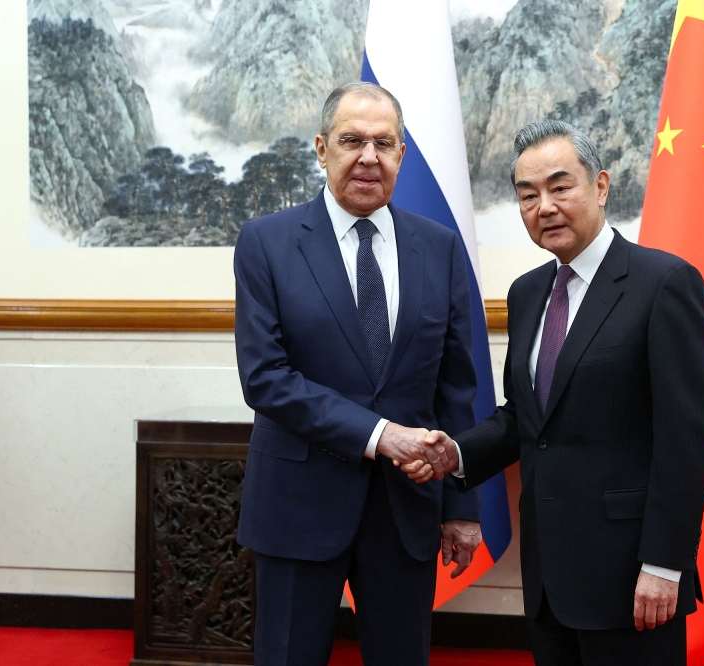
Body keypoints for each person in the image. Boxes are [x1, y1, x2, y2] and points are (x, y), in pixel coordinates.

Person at [407, 120, 704, 665]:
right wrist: (455, 454)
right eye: (527, 196)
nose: (544, 206)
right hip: (549, 575)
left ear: (600, 186)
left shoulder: (664, 283)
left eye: (559, 186)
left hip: (632, 575)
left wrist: (666, 564)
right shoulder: (528, 294)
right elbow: (525, 419)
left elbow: (685, 439)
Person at [233, 82, 482, 666]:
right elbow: (266, 378)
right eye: (351, 141)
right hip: (298, 506)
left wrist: (462, 508)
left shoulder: (441, 249)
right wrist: (380, 435)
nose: (368, 157)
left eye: (384, 143)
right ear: (322, 149)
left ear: (401, 155)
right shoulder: (266, 243)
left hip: (407, 512)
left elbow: (455, 388)